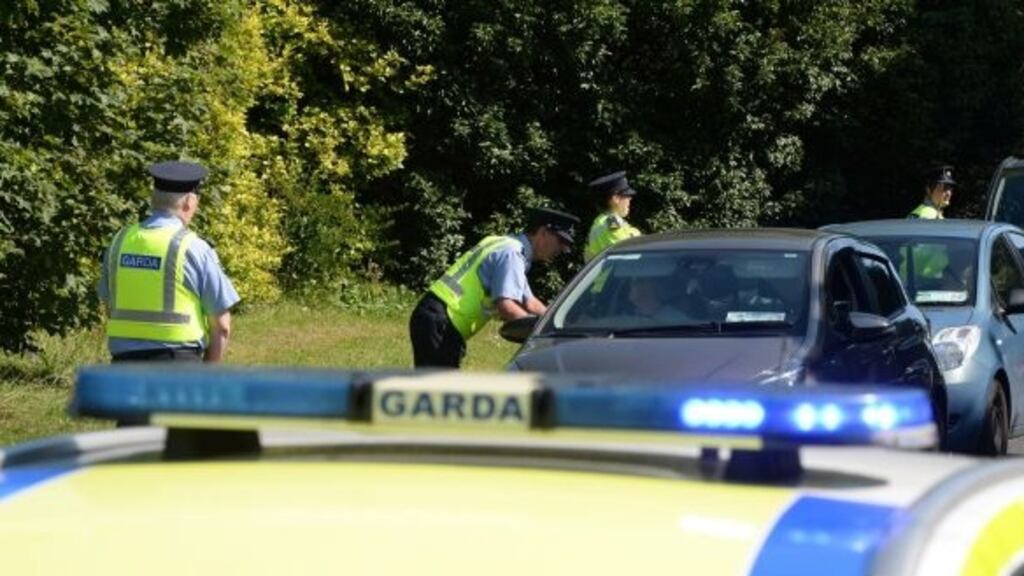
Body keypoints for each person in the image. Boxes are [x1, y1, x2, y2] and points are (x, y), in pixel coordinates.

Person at [97, 161, 240, 364]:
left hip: (123, 369)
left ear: (154, 199)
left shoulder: (119, 242)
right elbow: (222, 326)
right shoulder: (194, 248)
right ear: (189, 202)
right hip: (178, 370)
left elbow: (108, 302)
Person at [409, 207, 580, 368]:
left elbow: (530, 302)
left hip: (436, 317)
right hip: (443, 320)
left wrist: (558, 323)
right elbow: (507, 306)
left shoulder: (504, 244)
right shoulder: (512, 254)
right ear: (543, 232)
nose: (563, 248)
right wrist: (540, 334)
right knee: (440, 393)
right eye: (560, 240)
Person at [584, 171, 642, 262]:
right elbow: (629, 252)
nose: (630, 198)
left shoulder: (602, 221)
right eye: (626, 195)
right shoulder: (610, 222)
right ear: (615, 199)